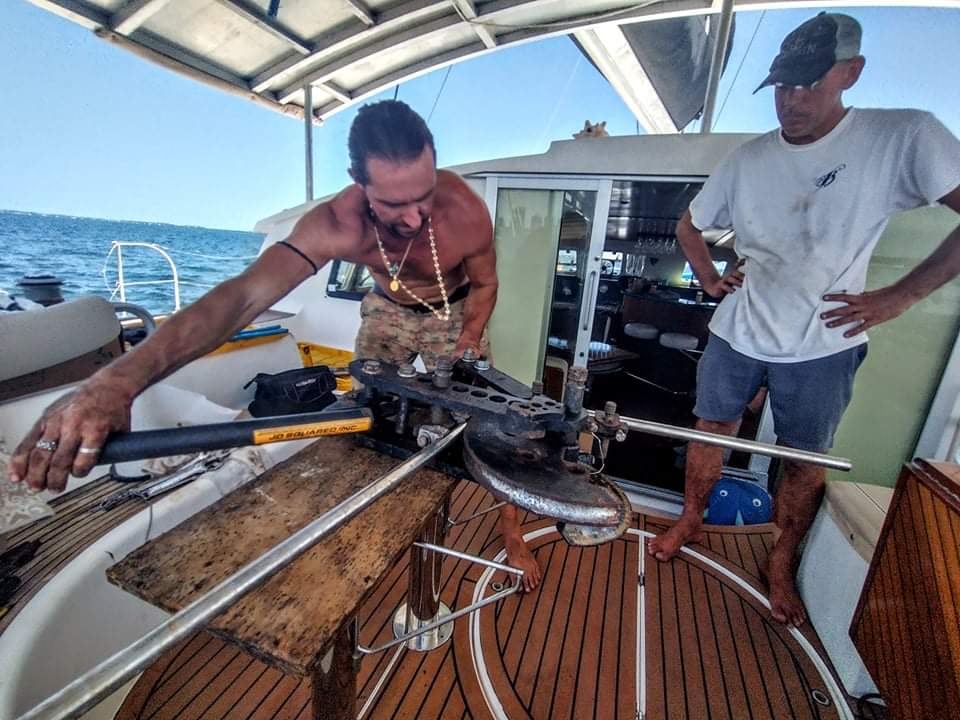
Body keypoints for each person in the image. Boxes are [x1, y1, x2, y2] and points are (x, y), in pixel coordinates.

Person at [7, 100, 542, 592]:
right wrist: (115, 381)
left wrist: (470, 336)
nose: (413, 217)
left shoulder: (464, 211)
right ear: (358, 184)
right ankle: (351, 526)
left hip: (455, 315)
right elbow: (241, 298)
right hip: (385, 314)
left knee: (489, 427)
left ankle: (511, 531)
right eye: (392, 203)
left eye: (423, 196)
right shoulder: (336, 224)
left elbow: (487, 284)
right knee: (359, 416)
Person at [647, 12, 960, 626]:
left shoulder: (901, 137)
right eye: (784, 86)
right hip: (738, 329)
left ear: (851, 73)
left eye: (809, 84)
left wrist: (897, 297)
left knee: (804, 456)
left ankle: (781, 559)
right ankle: (690, 516)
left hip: (824, 340)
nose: (792, 100)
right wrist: (711, 280)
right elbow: (691, 225)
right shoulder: (748, 158)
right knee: (711, 428)